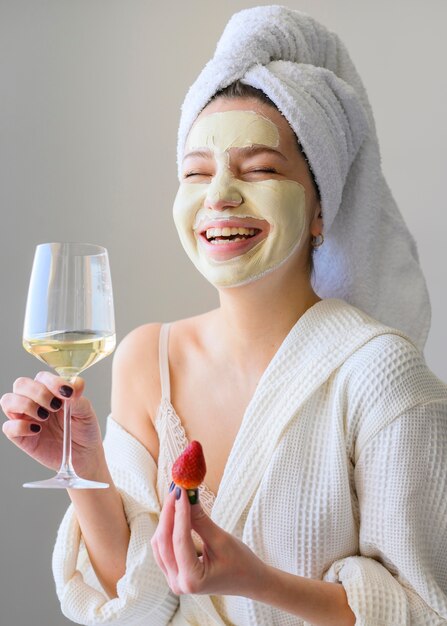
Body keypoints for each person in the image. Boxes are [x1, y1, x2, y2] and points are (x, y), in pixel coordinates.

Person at [2, 6, 447, 625]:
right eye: (196, 172)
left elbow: (425, 612)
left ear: (322, 210)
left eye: (261, 169)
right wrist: (79, 468)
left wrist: (255, 580)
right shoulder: (146, 358)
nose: (219, 196)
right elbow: (140, 607)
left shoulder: (380, 374)